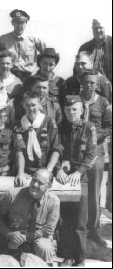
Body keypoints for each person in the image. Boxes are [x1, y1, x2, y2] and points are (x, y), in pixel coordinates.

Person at [57, 95, 97, 267]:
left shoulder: (89, 127)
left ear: (81, 110)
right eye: (68, 109)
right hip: (62, 179)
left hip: (80, 179)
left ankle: (80, 258)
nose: (71, 112)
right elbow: (54, 149)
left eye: (75, 109)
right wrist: (58, 168)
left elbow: (91, 154)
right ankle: (67, 256)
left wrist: (78, 172)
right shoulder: (60, 128)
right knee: (65, 219)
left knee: (80, 220)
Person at [0, 169, 60, 266]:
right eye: (34, 180)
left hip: (37, 237)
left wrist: (24, 237)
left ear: (49, 185)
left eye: (40, 183)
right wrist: (9, 234)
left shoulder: (54, 201)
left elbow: (48, 230)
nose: (35, 185)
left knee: (45, 247)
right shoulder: (12, 195)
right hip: (12, 235)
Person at [79, 70, 111, 247]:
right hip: (78, 153)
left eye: (92, 82)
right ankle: (79, 228)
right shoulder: (75, 100)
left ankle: (94, 230)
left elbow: (109, 127)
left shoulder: (103, 102)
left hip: (97, 153)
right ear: (81, 82)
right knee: (79, 192)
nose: (89, 85)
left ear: (97, 84)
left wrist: (92, 136)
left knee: (94, 193)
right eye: (86, 82)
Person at [0, 9, 46, 82]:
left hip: (29, 77)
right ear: (12, 23)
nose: (20, 26)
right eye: (17, 23)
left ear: (26, 23)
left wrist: (41, 72)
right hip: (9, 77)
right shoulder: (4, 39)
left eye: (22, 23)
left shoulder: (34, 40)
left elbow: (48, 55)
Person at [14, 91, 62, 187]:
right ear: (23, 105)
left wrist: (48, 172)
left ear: (40, 105)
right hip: (27, 172)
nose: (31, 108)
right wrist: (21, 172)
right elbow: (19, 150)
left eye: (33, 105)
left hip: (46, 170)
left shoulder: (49, 122)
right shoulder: (19, 124)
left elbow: (56, 149)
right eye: (27, 105)